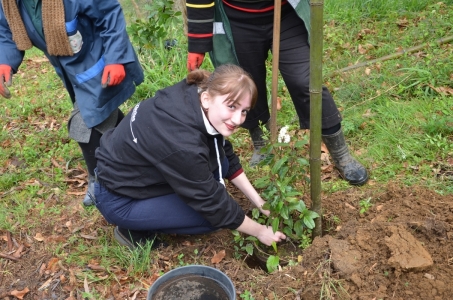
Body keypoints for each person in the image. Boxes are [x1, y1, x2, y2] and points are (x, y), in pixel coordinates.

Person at [93, 64, 286, 249]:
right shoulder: (183, 144)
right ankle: (131, 230)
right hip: (120, 199)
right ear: (207, 99)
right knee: (210, 219)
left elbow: (223, 151)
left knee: (223, 164)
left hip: (137, 170)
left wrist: (260, 203)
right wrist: (260, 231)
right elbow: (214, 206)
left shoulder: (193, 93)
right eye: (232, 106)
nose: (238, 120)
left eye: (244, 111)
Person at [185, 0, 368, 185]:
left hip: (286, 16)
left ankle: (341, 155)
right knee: (245, 85)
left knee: (305, 82)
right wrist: (198, 40)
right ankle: (262, 144)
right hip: (236, 21)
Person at [0, 0, 144, 206]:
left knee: (84, 121)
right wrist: (5, 61)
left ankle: (100, 181)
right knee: (101, 116)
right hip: (71, 71)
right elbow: (5, 30)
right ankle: (140, 152)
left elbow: (109, 14)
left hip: (100, 61)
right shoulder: (10, 3)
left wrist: (116, 58)